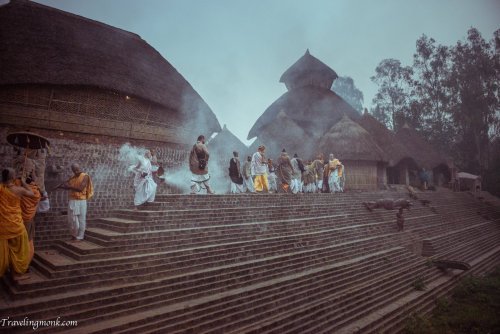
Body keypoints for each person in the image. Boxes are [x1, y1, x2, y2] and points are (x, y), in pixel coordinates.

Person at [0, 168, 36, 280]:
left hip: (3, 225)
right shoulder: (18, 190)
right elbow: (32, 194)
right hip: (16, 225)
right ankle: (17, 273)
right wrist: (24, 182)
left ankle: (7, 270)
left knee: (6, 249)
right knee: (20, 249)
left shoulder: (1, 188)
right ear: (12, 177)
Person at [55, 164, 93, 242]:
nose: (76, 171)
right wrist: (59, 186)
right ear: (72, 170)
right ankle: (74, 235)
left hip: (81, 201)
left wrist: (69, 187)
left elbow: (80, 188)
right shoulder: (73, 178)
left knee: (81, 219)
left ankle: (80, 236)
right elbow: (68, 187)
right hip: (72, 200)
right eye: (74, 170)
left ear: (80, 168)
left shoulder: (85, 176)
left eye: (77, 169)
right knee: (71, 220)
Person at [14, 173, 41, 263]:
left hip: (19, 220)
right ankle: (26, 262)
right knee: (29, 241)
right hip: (29, 219)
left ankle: (23, 263)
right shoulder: (36, 191)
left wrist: (21, 179)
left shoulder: (19, 189)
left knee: (21, 243)